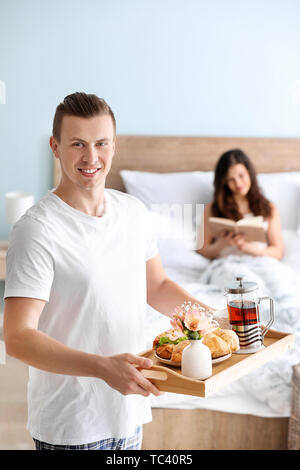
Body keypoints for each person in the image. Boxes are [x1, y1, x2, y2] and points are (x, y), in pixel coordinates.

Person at [3, 92, 213, 451]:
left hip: (128, 408)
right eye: (77, 144)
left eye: (101, 143)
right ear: (55, 147)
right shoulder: (38, 229)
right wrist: (102, 368)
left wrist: (212, 320)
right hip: (70, 423)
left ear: (114, 145)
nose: (91, 157)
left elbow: (157, 285)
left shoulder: (133, 212)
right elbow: (17, 336)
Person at [197, 149, 284, 260]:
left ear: (249, 173)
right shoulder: (213, 208)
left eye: (241, 176)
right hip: (227, 265)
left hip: (260, 263)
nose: (238, 183)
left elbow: (278, 252)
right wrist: (221, 244)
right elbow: (201, 250)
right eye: (231, 179)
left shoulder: (269, 208)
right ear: (224, 182)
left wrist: (252, 249)